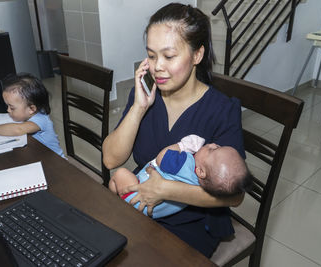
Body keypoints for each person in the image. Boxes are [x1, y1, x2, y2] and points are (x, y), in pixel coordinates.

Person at [102, 3, 246, 257]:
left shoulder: (222, 110)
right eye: (152, 55)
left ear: (197, 55)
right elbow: (111, 159)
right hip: (137, 204)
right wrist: (138, 107)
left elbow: (233, 197)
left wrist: (166, 191)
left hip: (190, 224)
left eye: (169, 56)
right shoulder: (145, 95)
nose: (157, 66)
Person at [109, 135, 251, 219]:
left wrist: (184, 145)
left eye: (214, 149)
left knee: (120, 173)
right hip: (152, 213)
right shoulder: (202, 184)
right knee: (117, 184)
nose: (213, 143)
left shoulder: (186, 164)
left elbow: (162, 157)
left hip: (136, 197)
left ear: (201, 172)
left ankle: (118, 199)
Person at [0, 73, 65, 158]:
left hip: (56, 162)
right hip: (38, 155)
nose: (7, 110)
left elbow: (18, 129)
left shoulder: (41, 119)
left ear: (31, 109)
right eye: (7, 106)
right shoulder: (28, 114)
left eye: (12, 108)